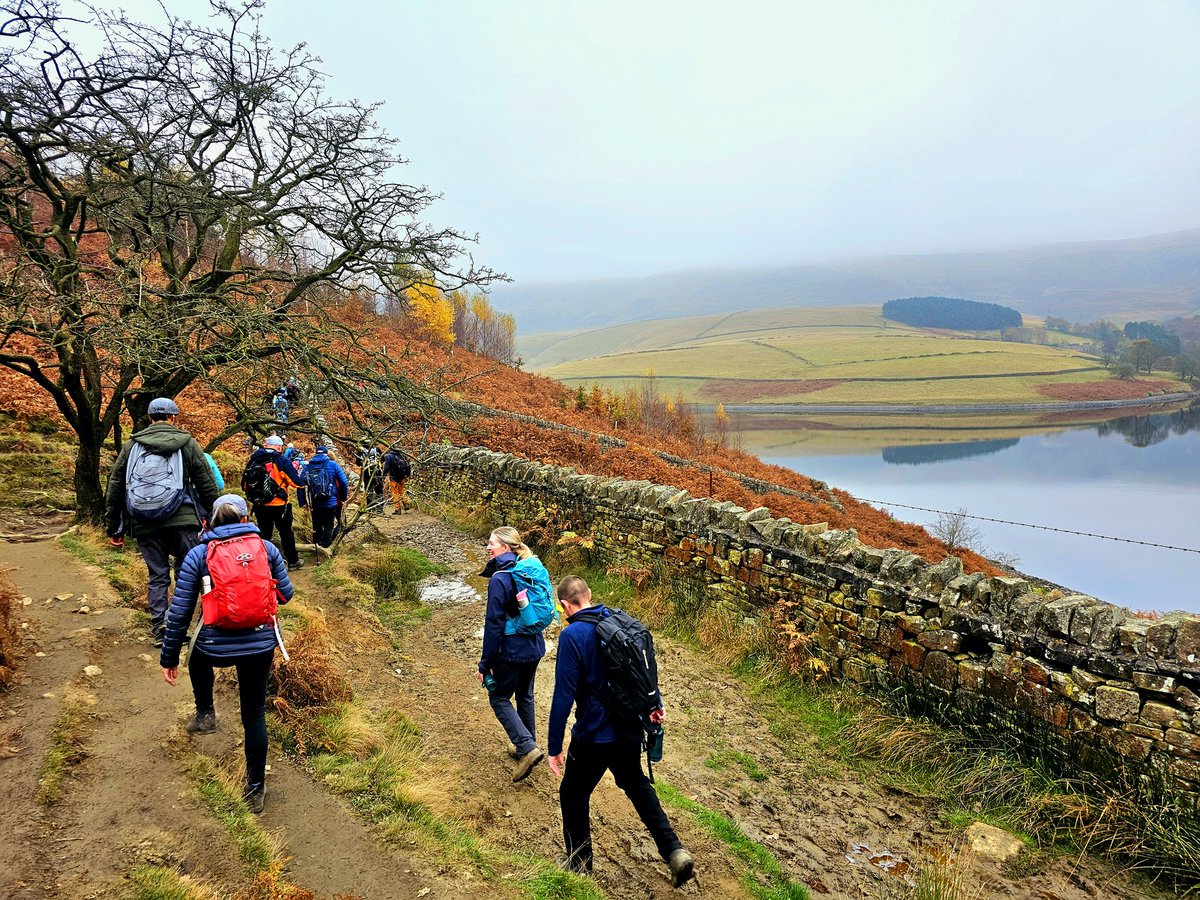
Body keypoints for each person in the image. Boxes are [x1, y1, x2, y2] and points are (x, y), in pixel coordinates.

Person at [547, 576, 694, 887]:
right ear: (589, 594)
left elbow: (563, 695)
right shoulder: (618, 622)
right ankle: (674, 851)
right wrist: (654, 705)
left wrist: (553, 746)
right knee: (637, 786)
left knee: (572, 794)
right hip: (628, 728)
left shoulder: (572, 635)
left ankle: (579, 865)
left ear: (565, 605)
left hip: (594, 735)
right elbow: (642, 672)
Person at [159, 494, 293, 813]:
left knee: (196, 657)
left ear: (211, 520)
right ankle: (256, 788)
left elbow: (179, 612)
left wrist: (169, 658)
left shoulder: (199, 554)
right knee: (254, 714)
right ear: (246, 519)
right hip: (260, 645)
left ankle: (205, 714)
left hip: (214, 645)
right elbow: (286, 596)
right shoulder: (267, 549)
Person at [104, 397, 219, 646]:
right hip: (183, 520)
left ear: (149, 418)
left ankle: (161, 627)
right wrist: (216, 518)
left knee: (157, 575)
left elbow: (115, 486)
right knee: (187, 574)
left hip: (144, 521)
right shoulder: (187, 443)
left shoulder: (131, 446)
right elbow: (207, 484)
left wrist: (114, 526)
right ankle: (180, 626)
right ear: (173, 417)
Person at [477, 526, 549, 782]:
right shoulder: (527, 568)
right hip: (534, 647)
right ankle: (527, 745)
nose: (488, 547)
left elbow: (494, 624)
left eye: (492, 543)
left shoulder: (500, 579)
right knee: (525, 695)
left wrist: (485, 663)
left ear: (505, 547)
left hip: (512, 650)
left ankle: (527, 748)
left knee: (498, 697)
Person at [241, 435, 303, 570]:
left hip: (260, 504)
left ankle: (263, 564)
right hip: (279, 504)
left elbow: (245, 484)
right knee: (286, 533)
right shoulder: (281, 460)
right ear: (279, 447)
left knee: (264, 534)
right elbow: (296, 483)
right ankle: (293, 561)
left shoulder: (254, 459)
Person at [300, 444, 348, 548]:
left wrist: (302, 501)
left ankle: (316, 546)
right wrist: (343, 497)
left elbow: (300, 484)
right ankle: (326, 545)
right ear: (326, 454)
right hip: (330, 500)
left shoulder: (307, 466)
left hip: (315, 501)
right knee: (328, 523)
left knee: (317, 524)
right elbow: (343, 482)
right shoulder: (333, 464)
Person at [382, 445, 412, 515]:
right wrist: (407, 475)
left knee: (395, 493)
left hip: (394, 477)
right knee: (402, 491)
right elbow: (408, 466)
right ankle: (405, 503)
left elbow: (387, 467)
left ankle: (397, 509)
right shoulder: (402, 455)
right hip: (402, 476)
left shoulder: (389, 456)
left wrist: (384, 475)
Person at [357, 442, 385, 510]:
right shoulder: (377, 449)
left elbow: (358, 463)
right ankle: (380, 508)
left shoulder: (361, 451)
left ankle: (370, 508)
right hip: (377, 472)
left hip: (367, 474)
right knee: (379, 490)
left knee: (369, 490)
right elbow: (383, 459)